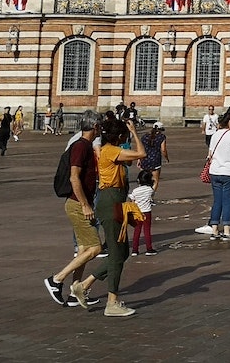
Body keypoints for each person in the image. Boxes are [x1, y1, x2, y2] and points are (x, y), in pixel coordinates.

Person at [71, 116, 145, 316]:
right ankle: (112, 302)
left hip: (115, 200)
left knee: (121, 253)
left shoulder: (110, 149)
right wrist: (135, 133)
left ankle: (84, 284)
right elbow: (141, 153)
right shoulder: (111, 151)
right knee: (116, 253)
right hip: (110, 200)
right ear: (119, 135)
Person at [45, 113, 102, 310]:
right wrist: (85, 205)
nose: (101, 129)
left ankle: (74, 292)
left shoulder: (84, 145)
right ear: (94, 126)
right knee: (96, 248)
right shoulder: (80, 146)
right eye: (99, 126)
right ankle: (56, 279)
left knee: (85, 249)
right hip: (78, 204)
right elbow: (74, 178)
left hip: (81, 203)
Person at [196, 110, 230, 240]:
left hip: (215, 171)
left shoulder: (215, 135)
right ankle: (227, 230)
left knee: (217, 200)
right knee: (228, 201)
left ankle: (214, 229)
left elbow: (210, 154)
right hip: (229, 172)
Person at [129, 170, 157, 256]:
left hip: (137, 212)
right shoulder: (150, 190)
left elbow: (132, 200)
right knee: (147, 231)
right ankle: (149, 248)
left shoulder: (135, 191)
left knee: (137, 231)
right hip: (147, 212)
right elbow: (152, 192)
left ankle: (134, 250)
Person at [139, 121, 169, 196]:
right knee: (155, 181)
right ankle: (150, 196)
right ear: (161, 130)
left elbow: (141, 148)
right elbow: (163, 149)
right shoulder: (161, 137)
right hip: (155, 159)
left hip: (144, 159)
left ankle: (142, 196)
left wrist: (139, 159)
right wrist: (166, 157)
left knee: (143, 179)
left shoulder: (144, 136)